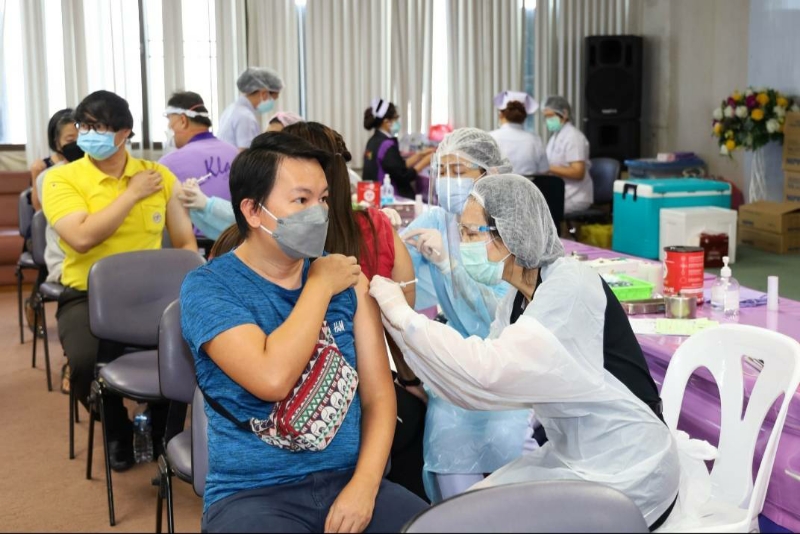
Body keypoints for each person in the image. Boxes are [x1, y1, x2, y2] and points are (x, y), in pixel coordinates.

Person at [370, 174, 681, 530]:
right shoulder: (516, 302)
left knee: (485, 523)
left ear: (510, 234)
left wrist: (403, 316)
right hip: (575, 457)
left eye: (471, 234)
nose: (462, 245)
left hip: (631, 469)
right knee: (468, 514)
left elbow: (488, 373)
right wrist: (406, 338)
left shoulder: (570, 286)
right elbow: (475, 386)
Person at [180, 132, 427, 533]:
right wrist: (318, 286)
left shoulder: (349, 281)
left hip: (348, 480)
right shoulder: (209, 288)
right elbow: (272, 378)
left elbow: (380, 397)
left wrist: (364, 487)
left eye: (323, 198)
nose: (319, 213)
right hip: (253, 494)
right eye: (301, 200)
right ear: (253, 211)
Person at [42, 90, 197, 471]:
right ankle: (115, 427)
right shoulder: (61, 178)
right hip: (86, 295)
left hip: (153, 297)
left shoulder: (158, 175)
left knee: (187, 352)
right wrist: (131, 195)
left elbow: (185, 242)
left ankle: (163, 427)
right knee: (83, 364)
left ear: (124, 132)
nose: (86, 133)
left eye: (97, 126)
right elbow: (80, 237)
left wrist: (189, 285)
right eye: (83, 126)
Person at [282, 121, 427, 500]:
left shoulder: (267, 245)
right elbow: (400, 327)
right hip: (363, 398)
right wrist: (411, 381)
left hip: (290, 407)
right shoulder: (378, 231)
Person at [400, 128, 532, 503]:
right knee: (449, 460)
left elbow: (504, 312)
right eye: (442, 170)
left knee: (514, 466)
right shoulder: (436, 220)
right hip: (456, 369)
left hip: (509, 370)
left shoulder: (512, 226)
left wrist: (449, 266)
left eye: (459, 170)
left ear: (488, 173)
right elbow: (394, 268)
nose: (448, 180)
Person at [159, 91, 239, 242]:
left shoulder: (168, 163)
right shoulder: (235, 153)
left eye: (170, 121)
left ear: (183, 121)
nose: (169, 128)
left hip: (194, 246)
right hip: (238, 241)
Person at [362, 98, 433, 199]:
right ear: (387, 122)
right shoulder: (386, 145)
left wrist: (421, 155)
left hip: (373, 195)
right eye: (396, 119)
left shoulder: (373, 141)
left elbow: (397, 166)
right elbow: (404, 176)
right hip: (389, 198)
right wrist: (426, 161)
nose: (398, 122)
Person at [543, 96, 593, 213]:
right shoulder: (555, 137)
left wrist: (547, 167)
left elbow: (578, 172)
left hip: (575, 196)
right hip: (561, 192)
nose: (548, 120)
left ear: (564, 114)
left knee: (537, 212)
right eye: (546, 117)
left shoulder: (573, 137)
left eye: (550, 116)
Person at [218, 67, 284, 150]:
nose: (272, 103)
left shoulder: (232, 109)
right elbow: (245, 152)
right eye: (273, 98)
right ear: (264, 93)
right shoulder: (245, 117)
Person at [30, 109, 83, 211]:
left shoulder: (95, 166)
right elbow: (40, 210)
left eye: (82, 137)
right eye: (70, 140)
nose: (78, 143)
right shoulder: (45, 174)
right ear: (57, 143)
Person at [490, 91, 549, 176]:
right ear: (524, 117)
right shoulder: (535, 140)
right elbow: (544, 171)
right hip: (529, 184)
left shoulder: (490, 137)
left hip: (496, 184)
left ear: (501, 115)